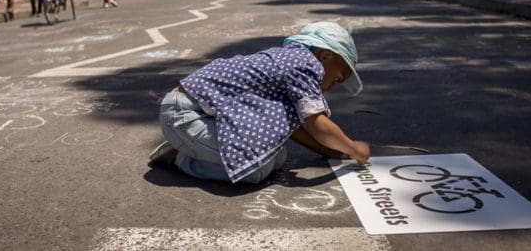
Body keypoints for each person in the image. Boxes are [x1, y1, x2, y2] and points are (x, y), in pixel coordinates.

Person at [150, 21, 370, 184]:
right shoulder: (304, 64)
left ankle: (194, 147)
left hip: (201, 114)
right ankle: (179, 158)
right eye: (338, 78)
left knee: (275, 155)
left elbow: (289, 128)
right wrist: (354, 149)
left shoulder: (291, 64)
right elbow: (316, 123)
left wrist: (326, 150)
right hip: (183, 115)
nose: (333, 85)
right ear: (325, 57)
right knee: (255, 171)